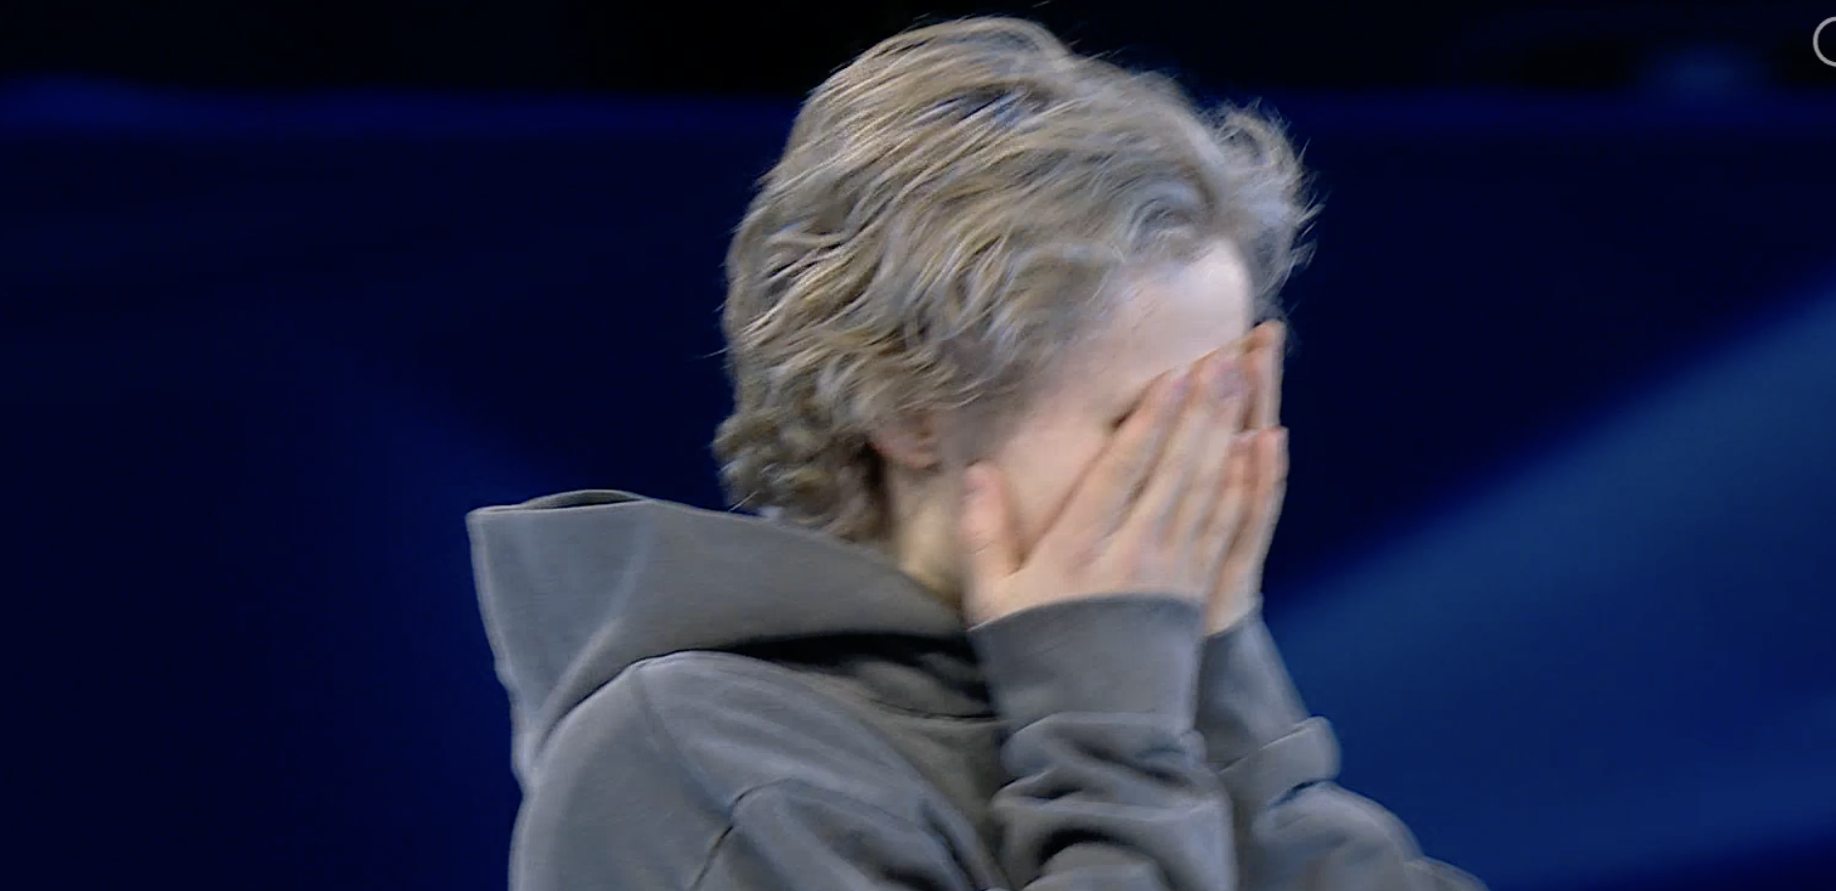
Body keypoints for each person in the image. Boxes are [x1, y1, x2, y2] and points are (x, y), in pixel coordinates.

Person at [467, 15, 1485, 891]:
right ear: (910, 413)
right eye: (1143, 425)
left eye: (1222, 416)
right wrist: (1118, 748)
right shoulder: (699, 758)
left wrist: (1226, 693)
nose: (1204, 476)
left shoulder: (1153, 709)